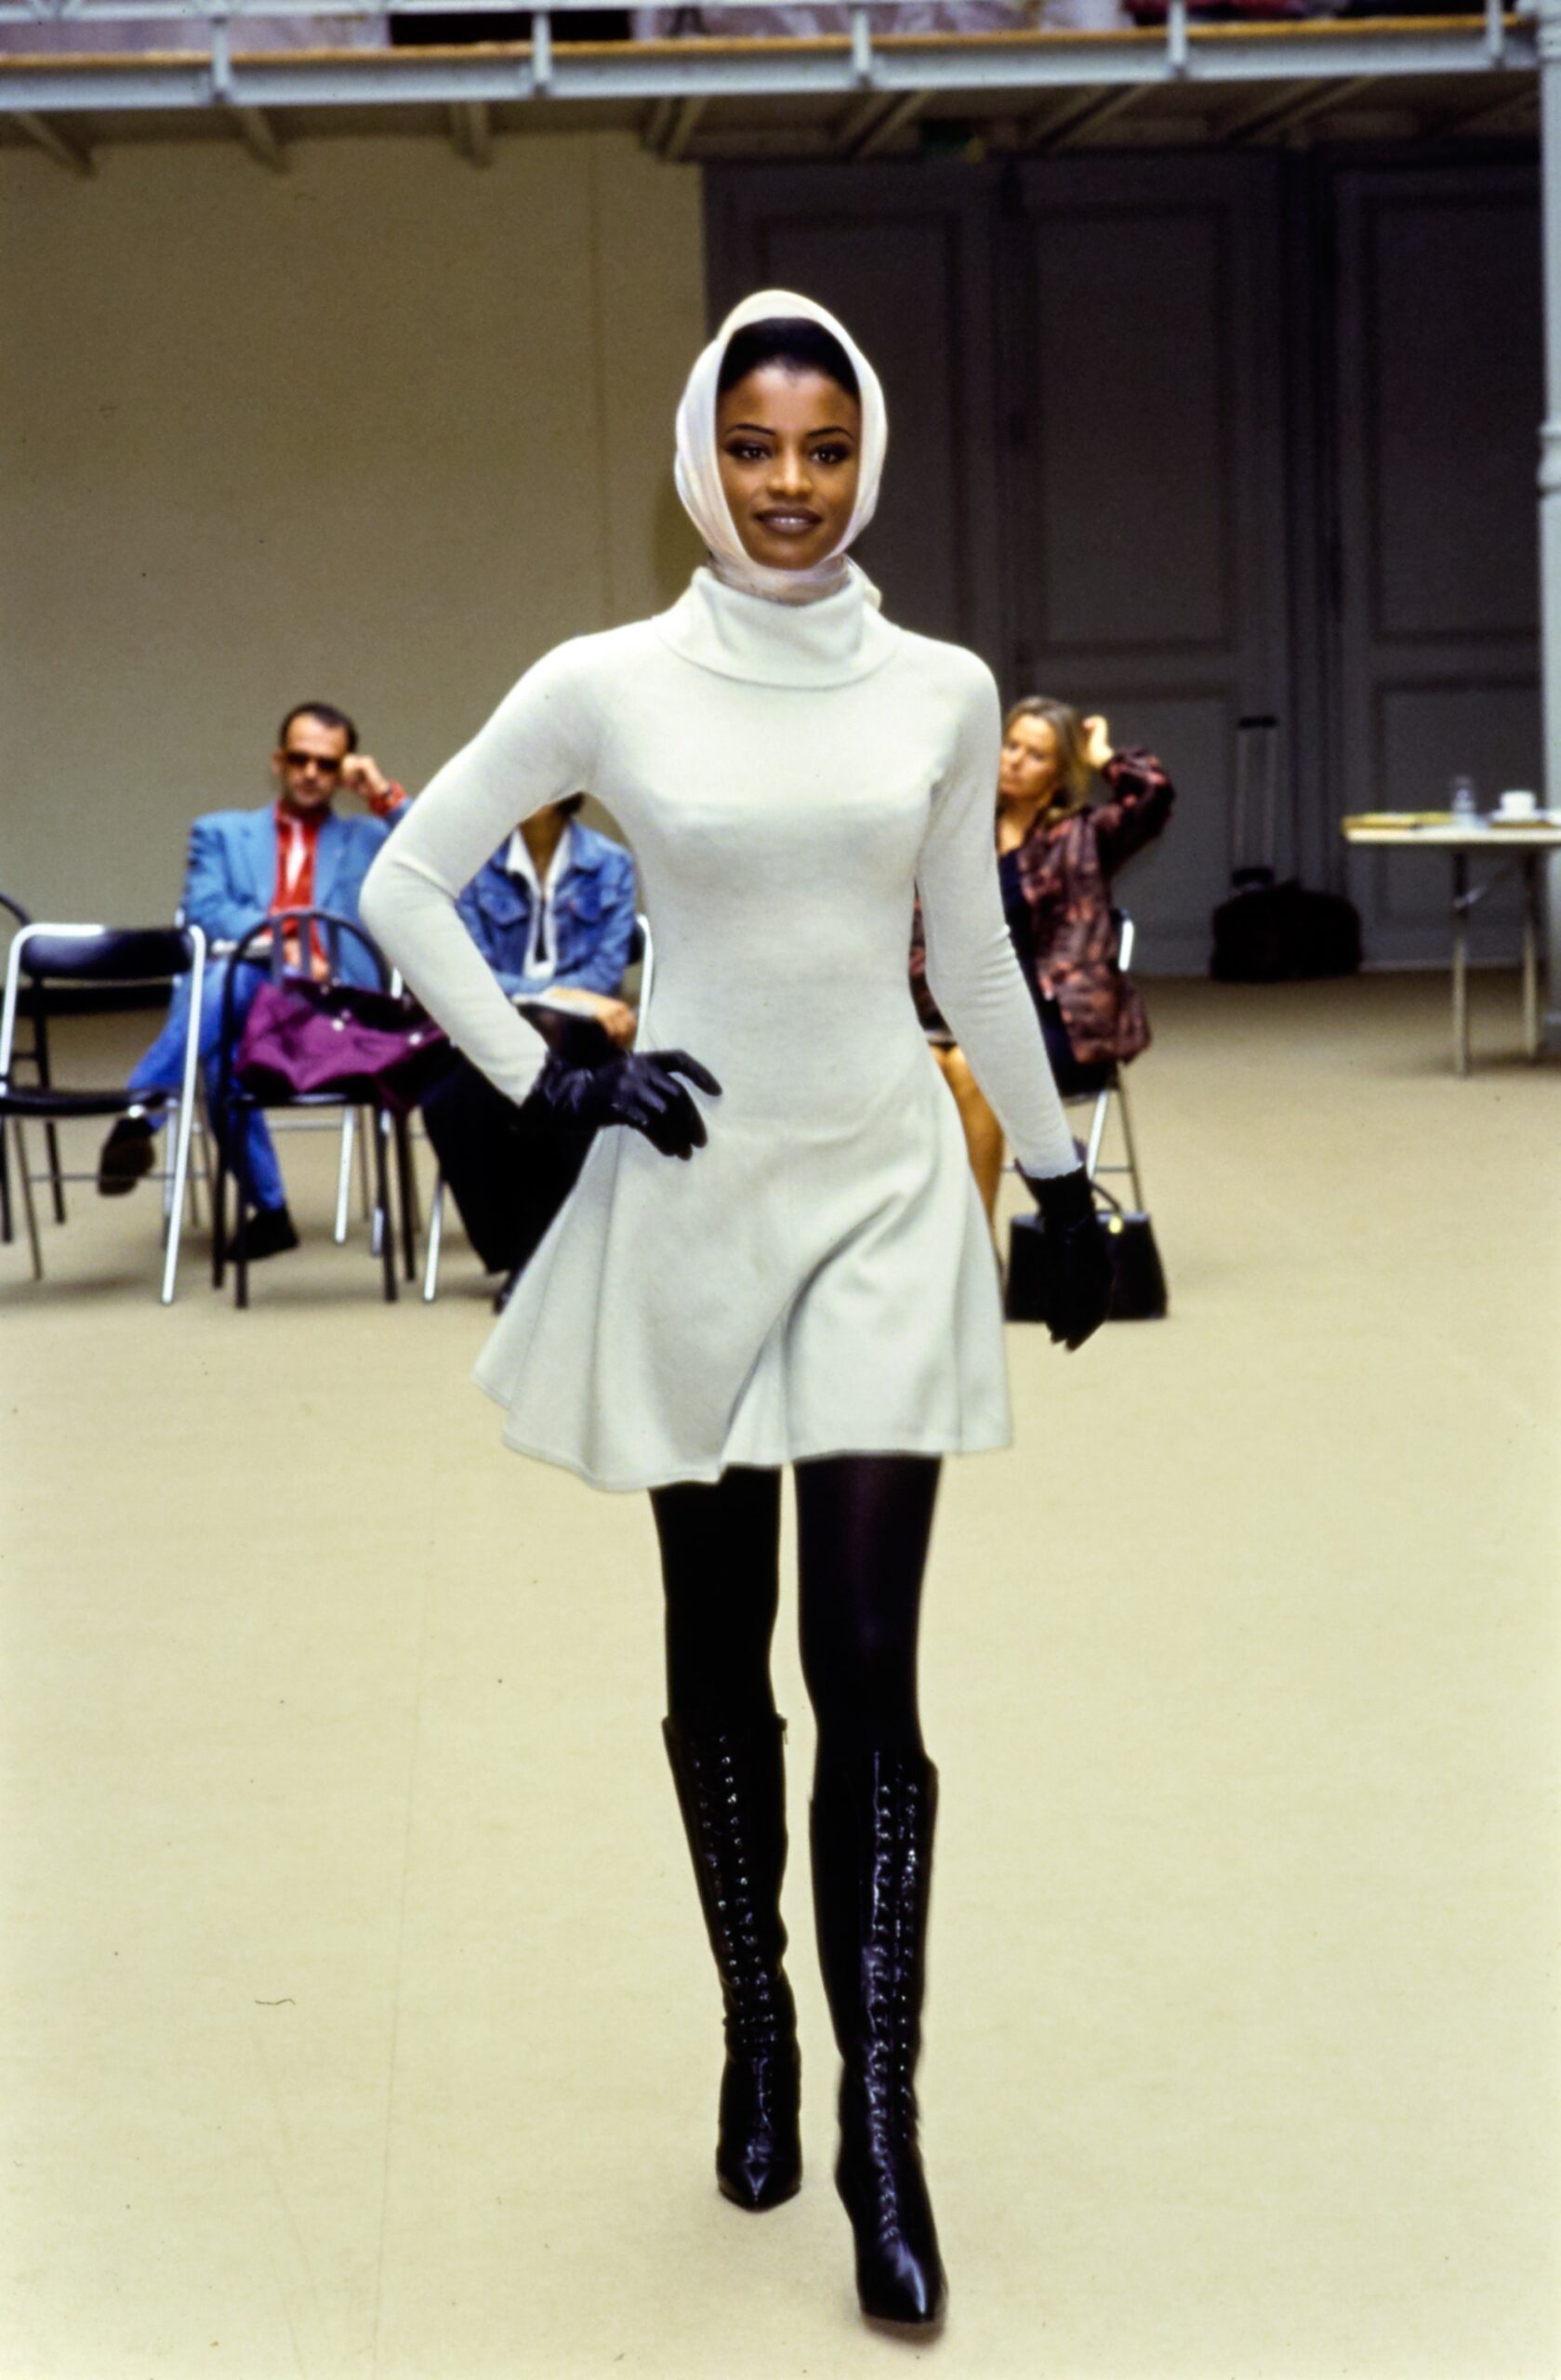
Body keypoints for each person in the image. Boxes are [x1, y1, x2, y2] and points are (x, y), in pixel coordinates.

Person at [361, 291, 1112, 2332]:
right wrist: (549, 1069)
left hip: (878, 1182)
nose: (792, 488)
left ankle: (883, 2121)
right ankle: (754, 2024)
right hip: (690, 1191)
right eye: (759, 448)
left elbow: (962, 940)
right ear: (702, 452)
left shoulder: (941, 687)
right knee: (719, 1656)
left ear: (865, 458)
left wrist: (1056, 1183)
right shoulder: (607, 680)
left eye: (827, 449)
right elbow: (403, 885)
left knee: (868, 1665)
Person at [97, 702, 406, 1258]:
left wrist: (382, 793)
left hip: (330, 1013)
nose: (311, 773)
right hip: (247, 1000)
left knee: (221, 988)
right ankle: (272, 1216)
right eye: (300, 758)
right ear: (277, 761)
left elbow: (439, 859)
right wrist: (283, 950)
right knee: (224, 1030)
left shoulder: (366, 839)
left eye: (327, 764)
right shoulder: (221, 833)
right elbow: (205, 910)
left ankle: (142, 1112)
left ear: (343, 772)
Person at [912, 695, 1175, 1222]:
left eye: (1035, 755)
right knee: (932, 1062)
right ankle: (949, 1236)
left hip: (1061, 1021)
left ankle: (978, 1241)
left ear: (1061, 773)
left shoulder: (1084, 836)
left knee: (969, 1064)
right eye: (1010, 745)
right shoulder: (961, 831)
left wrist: (1102, 755)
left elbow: (1152, 795)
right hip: (961, 1012)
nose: (1013, 760)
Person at [420, 797, 639, 1282]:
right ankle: (527, 1253)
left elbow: (605, 973)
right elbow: (474, 970)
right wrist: (552, 994)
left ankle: (537, 1262)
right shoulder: (475, 865)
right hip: (493, 1027)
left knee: (554, 1076)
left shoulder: (610, 863)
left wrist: (561, 1003)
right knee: (450, 1101)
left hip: (583, 1032)